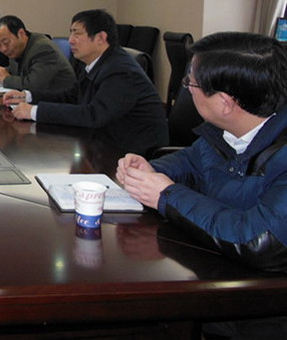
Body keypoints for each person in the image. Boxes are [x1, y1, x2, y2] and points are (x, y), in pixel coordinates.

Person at [117, 32, 287, 272]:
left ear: (224, 102)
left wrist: (166, 195)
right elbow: (191, 162)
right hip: (215, 264)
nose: (187, 88)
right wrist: (150, 171)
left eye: (191, 82)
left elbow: (259, 240)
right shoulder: (224, 132)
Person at [6, 9, 168, 156]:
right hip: (104, 143)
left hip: (133, 154)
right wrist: (28, 96)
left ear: (100, 38)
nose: (71, 40)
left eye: (77, 34)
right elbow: (72, 96)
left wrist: (35, 111)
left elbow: (94, 115)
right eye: (70, 34)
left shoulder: (121, 70)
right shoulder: (96, 62)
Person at [0, 15, 76, 93]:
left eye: (6, 42)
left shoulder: (43, 48)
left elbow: (34, 86)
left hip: (59, 101)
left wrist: (6, 78)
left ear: (21, 34)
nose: (3, 49)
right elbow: (18, 71)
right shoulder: (16, 49)